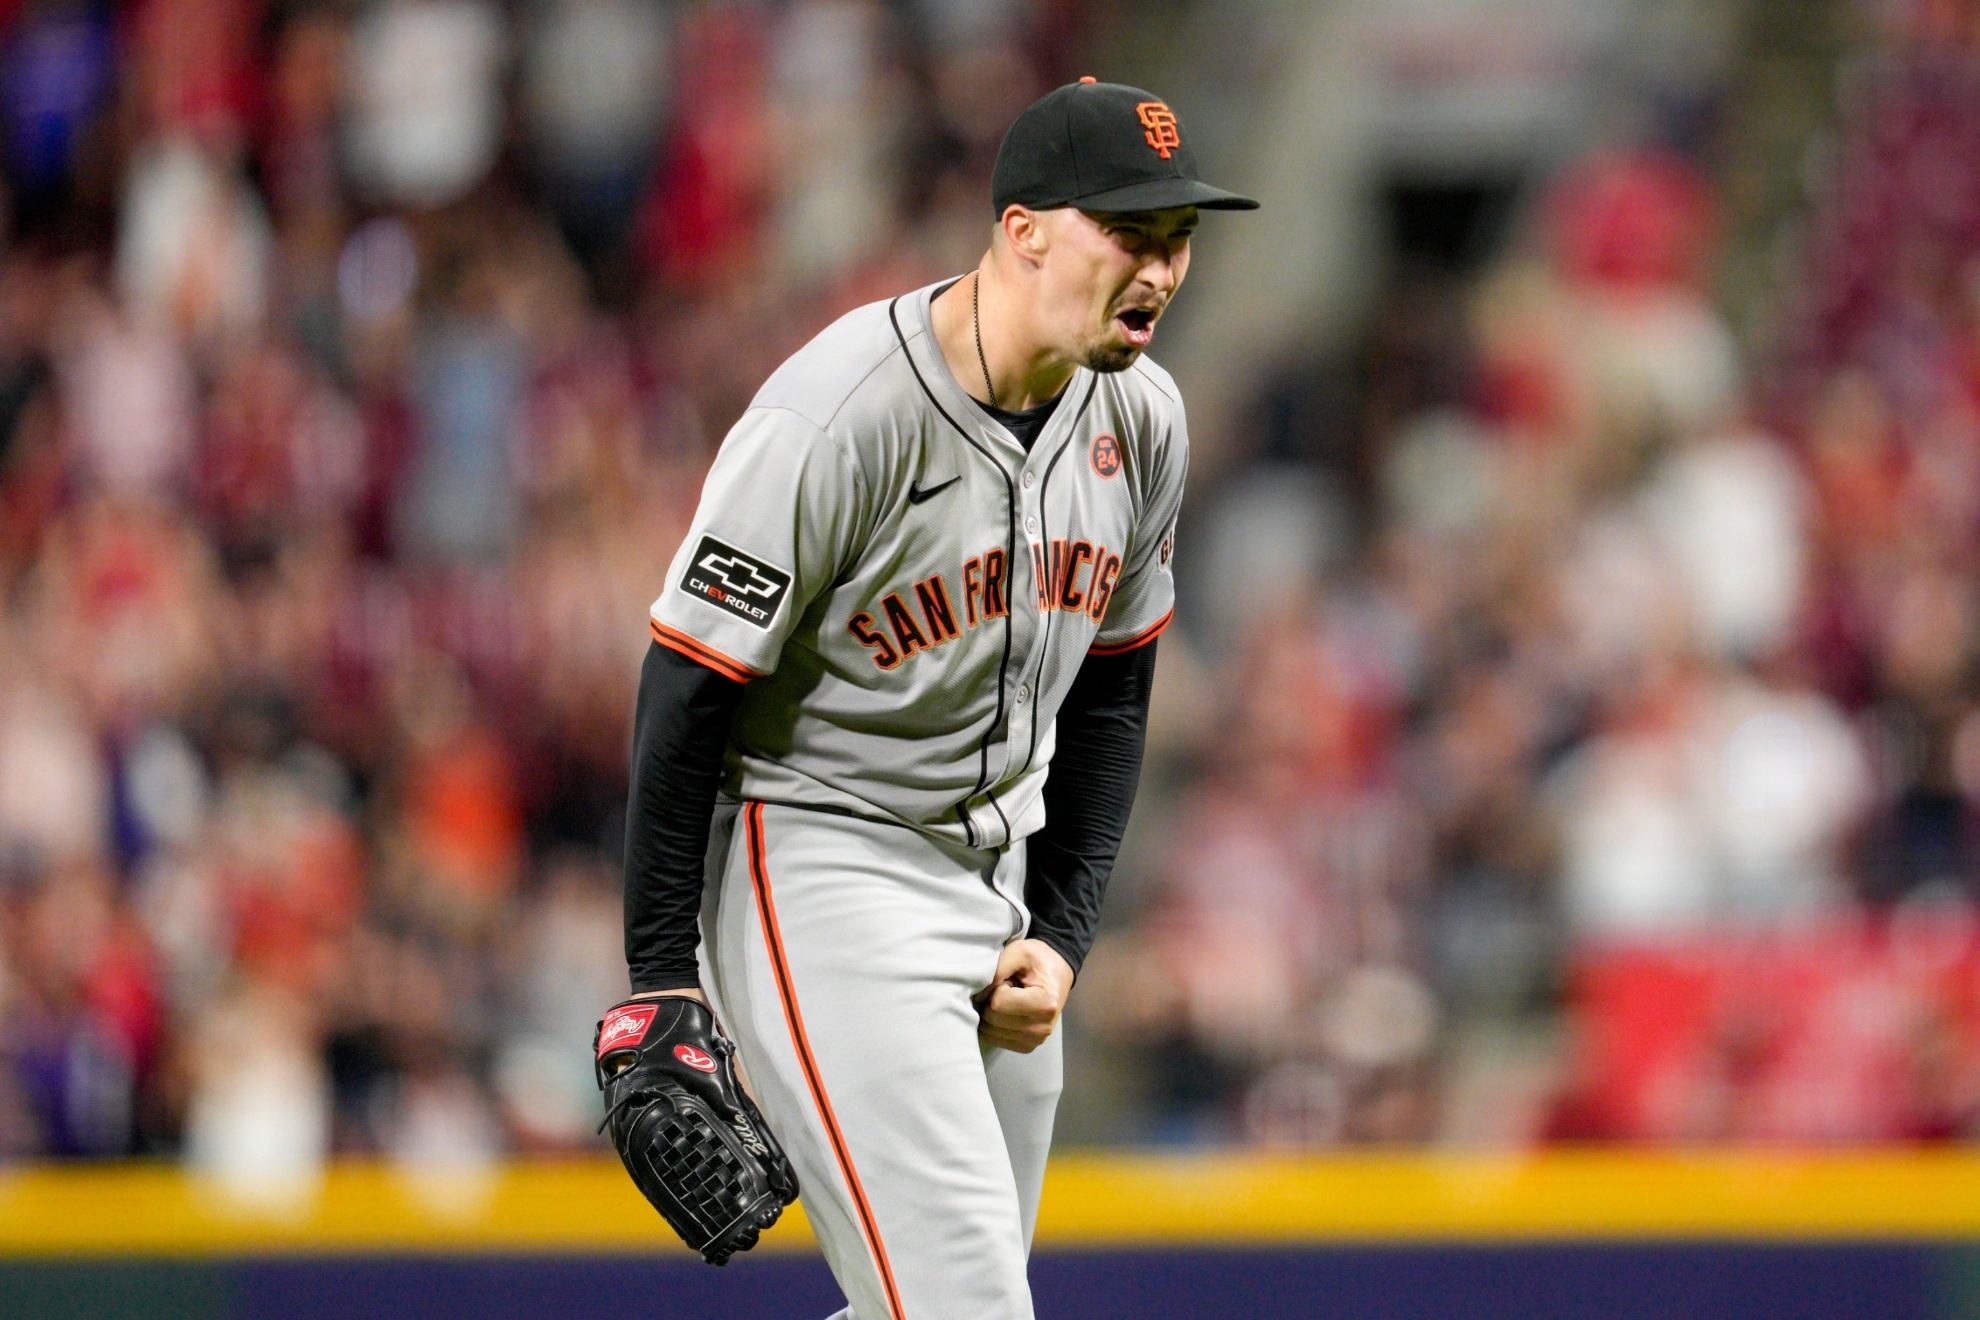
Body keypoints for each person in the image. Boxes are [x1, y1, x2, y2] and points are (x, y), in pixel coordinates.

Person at [609, 79, 1256, 1318]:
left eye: (1180, 241)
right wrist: (661, 975)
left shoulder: (1145, 422)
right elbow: (688, 683)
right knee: (967, 1311)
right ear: (1023, 231)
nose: (1164, 271)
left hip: (994, 878)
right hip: (822, 865)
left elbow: (1115, 697)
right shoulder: (841, 413)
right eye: (1132, 235)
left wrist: (1061, 934)